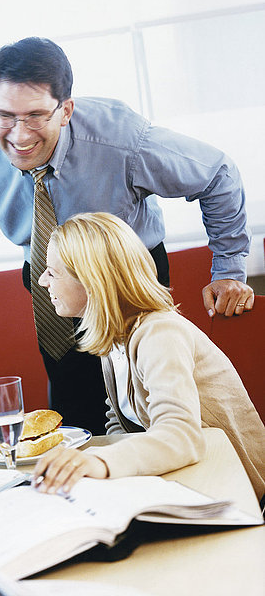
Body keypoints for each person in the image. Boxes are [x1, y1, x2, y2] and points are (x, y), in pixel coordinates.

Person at [0, 36, 254, 435]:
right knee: (78, 418)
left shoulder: (120, 139)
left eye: (36, 116)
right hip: (51, 280)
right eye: (5, 115)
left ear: (66, 110)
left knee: (147, 408)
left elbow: (217, 175)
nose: (20, 135)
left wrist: (229, 269)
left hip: (125, 276)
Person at [32, 212, 265, 502]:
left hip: (233, 484)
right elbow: (120, 420)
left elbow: (182, 436)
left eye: (52, 272)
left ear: (92, 280)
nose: (42, 281)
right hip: (189, 474)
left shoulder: (160, 333)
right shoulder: (115, 334)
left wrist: (100, 463)